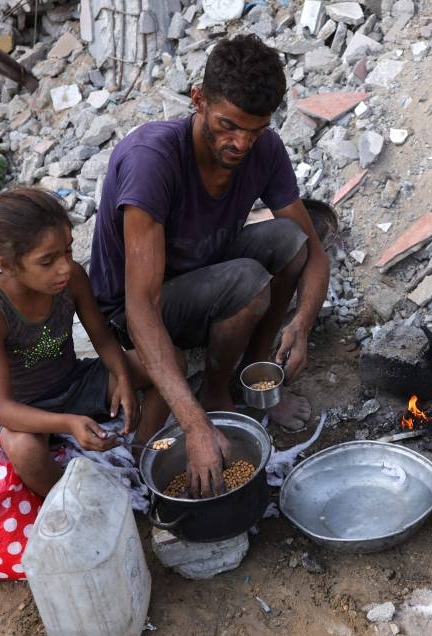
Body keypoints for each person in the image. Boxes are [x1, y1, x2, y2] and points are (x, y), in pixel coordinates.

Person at [89, 34, 330, 498]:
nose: (239, 143)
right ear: (198, 100)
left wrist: (301, 324)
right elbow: (140, 304)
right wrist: (193, 424)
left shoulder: (264, 149)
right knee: (249, 283)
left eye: (254, 130)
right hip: (134, 313)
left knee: (292, 239)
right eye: (227, 126)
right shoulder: (152, 161)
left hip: (203, 278)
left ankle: (257, 373)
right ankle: (214, 396)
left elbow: (314, 250)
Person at [0, 187, 172, 497]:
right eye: (47, 261)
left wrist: (124, 378)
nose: (64, 267)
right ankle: (77, 502)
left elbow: (101, 335)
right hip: (27, 408)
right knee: (24, 451)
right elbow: (2, 408)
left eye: (68, 251)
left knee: (168, 363)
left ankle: (142, 451)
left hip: (74, 381)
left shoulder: (71, 277)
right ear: (7, 265)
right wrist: (68, 423)